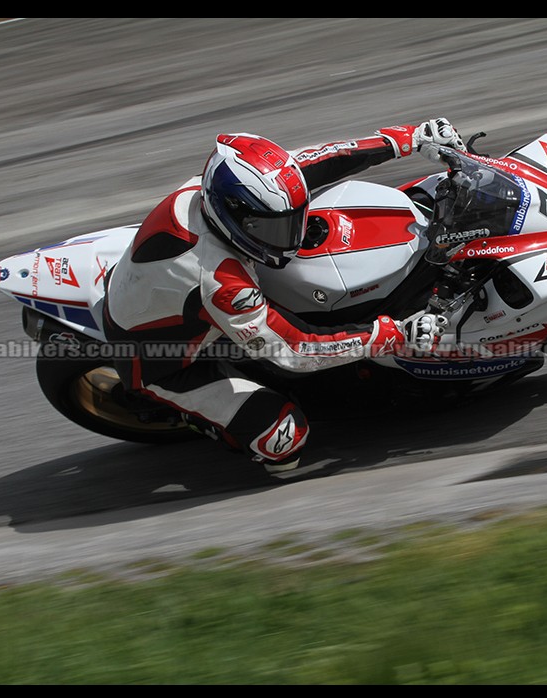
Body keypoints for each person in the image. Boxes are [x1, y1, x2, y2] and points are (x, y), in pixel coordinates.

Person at [102, 118, 466, 474]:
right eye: (271, 228)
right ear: (233, 214)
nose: (288, 237)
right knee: (283, 442)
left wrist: (406, 139)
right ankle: (197, 417)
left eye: (290, 221)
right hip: (164, 362)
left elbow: (320, 159)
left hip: (167, 290)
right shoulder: (222, 281)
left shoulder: (227, 186)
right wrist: (389, 335)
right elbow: (293, 351)